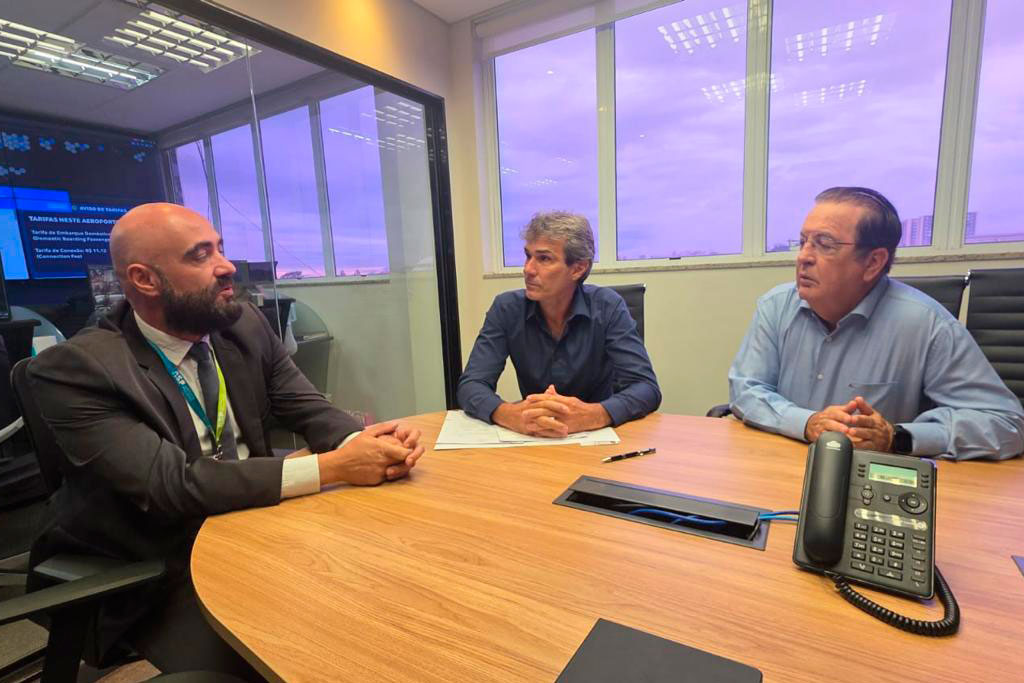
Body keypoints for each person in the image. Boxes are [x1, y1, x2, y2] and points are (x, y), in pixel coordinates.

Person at [24, 203, 425, 679]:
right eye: (200, 255)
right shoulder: (77, 369)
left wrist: (368, 441)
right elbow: (170, 486)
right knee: (295, 660)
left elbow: (306, 407)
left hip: (253, 529)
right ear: (144, 279)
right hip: (157, 564)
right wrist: (336, 467)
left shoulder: (242, 325)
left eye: (221, 248)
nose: (227, 266)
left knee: (390, 606)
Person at [728, 186, 1024, 460]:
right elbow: (746, 389)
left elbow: (1006, 424)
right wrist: (807, 423)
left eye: (824, 245)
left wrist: (898, 437)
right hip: (778, 468)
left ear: (873, 262)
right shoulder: (776, 307)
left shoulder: (927, 325)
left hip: (870, 484)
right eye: (804, 241)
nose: (803, 257)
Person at [457, 211, 660, 437]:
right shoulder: (506, 309)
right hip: (533, 435)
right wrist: (509, 414)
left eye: (544, 259)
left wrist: (594, 414)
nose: (528, 269)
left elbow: (646, 388)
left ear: (577, 268)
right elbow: (471, 385)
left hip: (599, 438)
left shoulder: (608, 307)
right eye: (528, 256)